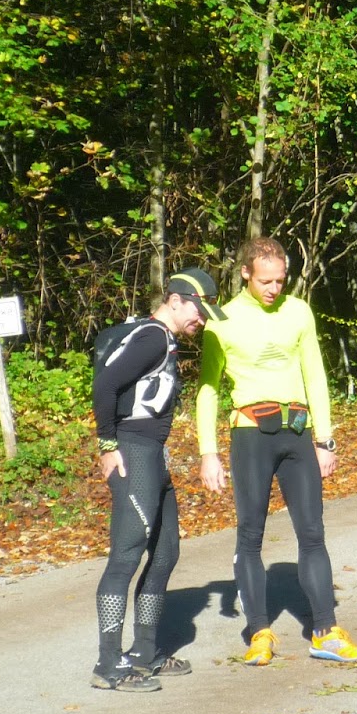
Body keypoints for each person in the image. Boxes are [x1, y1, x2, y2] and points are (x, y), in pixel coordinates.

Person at [197, 237, 357, 666]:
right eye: (266, 281)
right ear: (245, 274)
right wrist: (208, 451)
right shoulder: (223, 319)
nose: (274, 288)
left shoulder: (298, 311)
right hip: (251, 435)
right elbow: (206, 389)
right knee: (250, 535)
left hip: (297, 433)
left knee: (312, 533)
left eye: (280, 280)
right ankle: (259, 631)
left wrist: (325, 439)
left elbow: (316, 374)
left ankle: (325, 631)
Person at [90, 267, 227, 692]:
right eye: (198, 311)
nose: (201, 321)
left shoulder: (164, 342)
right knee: (127, 556)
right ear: (175, 299)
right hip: (133, 454)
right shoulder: (150, 336)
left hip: (155, 457)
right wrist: (107, 445)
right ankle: (109, 664)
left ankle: (144, 651)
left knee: (165, 552)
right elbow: (105, 385)